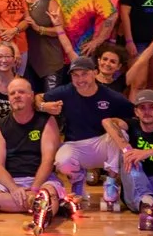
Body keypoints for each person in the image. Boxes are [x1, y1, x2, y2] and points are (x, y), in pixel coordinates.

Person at [48, 55, 130, 192]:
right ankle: (77, 179)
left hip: (101, 145)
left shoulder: (110, 95)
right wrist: (43, 106)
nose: (80, 79)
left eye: (84, 74)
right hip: (75, 145)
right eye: (75, 75)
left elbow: (135, 112)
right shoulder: (66, 91)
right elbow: (38, 97)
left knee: (120, 133)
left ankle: (111, 182)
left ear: (95, 73)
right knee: (62, 161)